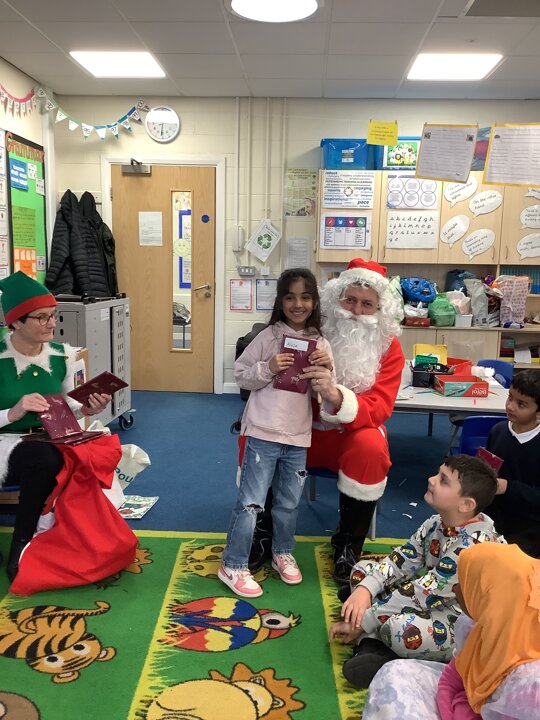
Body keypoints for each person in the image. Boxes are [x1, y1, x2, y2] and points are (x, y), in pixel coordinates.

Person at [250, 258, 405, 583]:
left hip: (352, 430)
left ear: (379, 309)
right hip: (302, 423)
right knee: (259, 435)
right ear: (336, 300)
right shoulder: (311, 332)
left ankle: (348, 545)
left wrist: (336, 396)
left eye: (367, 304)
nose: (356, 311)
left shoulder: (389, 348)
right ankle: (262, 533)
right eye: (350, 300)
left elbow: (380, 406)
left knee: (371, 449)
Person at [0, 271, 133, 586]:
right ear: (16, 322)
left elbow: (68, 406)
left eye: (53, 315)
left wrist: (87, 408)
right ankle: (24, 540)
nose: (51, 323)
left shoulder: (65, 356)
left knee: (93, 452)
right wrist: (12, 412)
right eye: (42, 317)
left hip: (51, 438)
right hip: (6, 442)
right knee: (45, 460)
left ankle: (74, 540)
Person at [329, 455, 503, 689]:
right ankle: (372, 629)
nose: (431, 479)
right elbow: (401, 560)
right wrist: (365, 590)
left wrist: (364, 621)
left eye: (443, 480)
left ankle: (375, 647)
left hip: (459, 620)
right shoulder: (435, 522)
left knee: (397, 628)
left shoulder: (473, 547)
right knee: (362, 572)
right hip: (429, 598)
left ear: (465, 505)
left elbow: (423, 593)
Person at [218, 268, 334, 598]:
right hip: (263, 432)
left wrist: (325, 370)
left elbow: (327, 396)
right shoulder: (268, 337)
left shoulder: (321, 343)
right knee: (251, 502)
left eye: (305, 297)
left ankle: (282, 551)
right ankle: (233, 563)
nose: (298, 304)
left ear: (314, 302)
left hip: (298, 435)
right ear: (281, 302)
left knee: (288, 503)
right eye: (290, 297)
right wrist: (268, 367)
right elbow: (241, 375)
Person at [362, 543, 540, 720]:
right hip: (461, 708)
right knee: (394, 673)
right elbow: (449, 681)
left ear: (490, 598)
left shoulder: (529, 687)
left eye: (466, 584)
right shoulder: (478, 630)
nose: (455, 589)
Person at [484, 368, 540, 558]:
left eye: (521, 404)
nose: (510, 406)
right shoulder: (498, 431)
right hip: (493, 515)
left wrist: (508, 487)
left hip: (529, 524)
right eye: (510, 398)